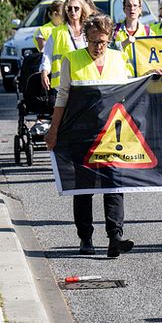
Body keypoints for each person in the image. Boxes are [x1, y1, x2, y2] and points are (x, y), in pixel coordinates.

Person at [45, 15, 135, 258]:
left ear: (110, 39)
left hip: (111, 134)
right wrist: (53, 131)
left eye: (104, 42)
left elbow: (130, 92)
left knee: (114, 185)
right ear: (86, 38)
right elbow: (62, 96)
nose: (99, 47)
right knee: (83, 188)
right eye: (94, 42)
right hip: (81, 133)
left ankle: (115, 237)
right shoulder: (71, 60)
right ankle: (85, 237)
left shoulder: (118, 58)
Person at [40, 0, 97, 90]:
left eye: (76, 8)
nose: (73, 11)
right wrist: (44, 73)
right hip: (63, 85)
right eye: (69, 9)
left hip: (87, 82)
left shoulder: (90, 30)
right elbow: (47, 55)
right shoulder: (57, 32)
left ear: (82, 9)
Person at [113, 0, 152, 64]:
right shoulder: (114, 30)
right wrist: (123, 44)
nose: (132, 9)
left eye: (135, 6)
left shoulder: (148, 32)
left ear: (140, 10)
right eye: (128, 6)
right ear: (124, 9)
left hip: (141, 74)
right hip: (121, 73)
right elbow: (107, 52)